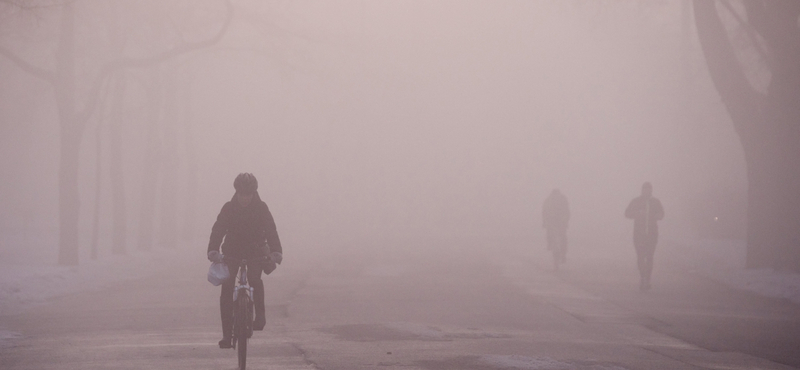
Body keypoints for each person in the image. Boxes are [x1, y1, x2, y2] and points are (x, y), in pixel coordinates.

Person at [207, 173, 283, 348]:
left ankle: (260, 317)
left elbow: (271, 230)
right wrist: (213, 250)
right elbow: (218, 229)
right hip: (232, 251)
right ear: (237, 192)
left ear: (254, 193)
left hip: (255, 251)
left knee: (255, 279)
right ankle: (227, 335)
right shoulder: (228, 208)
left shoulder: (262, 208)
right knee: (227, 286)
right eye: (242, 194)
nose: (245, 198)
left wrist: (276, 251)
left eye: (248, 194)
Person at [625, 182, 664, 291]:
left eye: (649, 189)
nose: (647, 191)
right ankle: (642, 277)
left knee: (650, 257)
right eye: (645, 189)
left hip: (652, 234)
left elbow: (661, 214)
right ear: (642, 190)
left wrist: (657, 215)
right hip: (639, 235)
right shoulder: (636, 201)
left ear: (651, 190)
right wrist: (637, 213)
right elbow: (627, 213)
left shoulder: (655, 202)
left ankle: (648, 279)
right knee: (641, 257)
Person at [542, 189, 570, 269]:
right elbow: (567, 211)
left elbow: (544, 212)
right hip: (561, 223)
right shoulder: (563, 199)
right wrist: (566, 221)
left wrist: (544, 222)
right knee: (563, 237)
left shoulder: (548, 200)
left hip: (553, 223)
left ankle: (550, 245)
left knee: (551, 234)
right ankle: (563, 254)